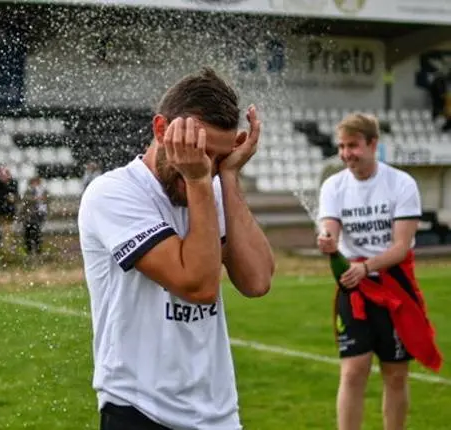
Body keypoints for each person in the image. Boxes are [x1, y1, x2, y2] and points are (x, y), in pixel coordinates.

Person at [77, 67, 275, 430]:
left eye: (219, 157)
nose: (207, 166)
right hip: (139, 410)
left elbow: (257, 280)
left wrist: (229, 177)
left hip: (218, 414)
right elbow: (198, 286)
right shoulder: (113, 193)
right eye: (196, 151)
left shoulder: (211, 183)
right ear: (160, 130)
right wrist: (200, 180)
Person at [317, 113, 442, 430]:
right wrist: (328, 240)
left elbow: (402, 247)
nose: (346, 154)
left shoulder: (401, 183)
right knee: (353, 371)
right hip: (353, 287)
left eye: (353, 146)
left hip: (394, 286)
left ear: (373, 144)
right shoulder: (334, 184)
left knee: (396, 374)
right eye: (342, 146)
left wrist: (366, 267)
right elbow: (329, 226)